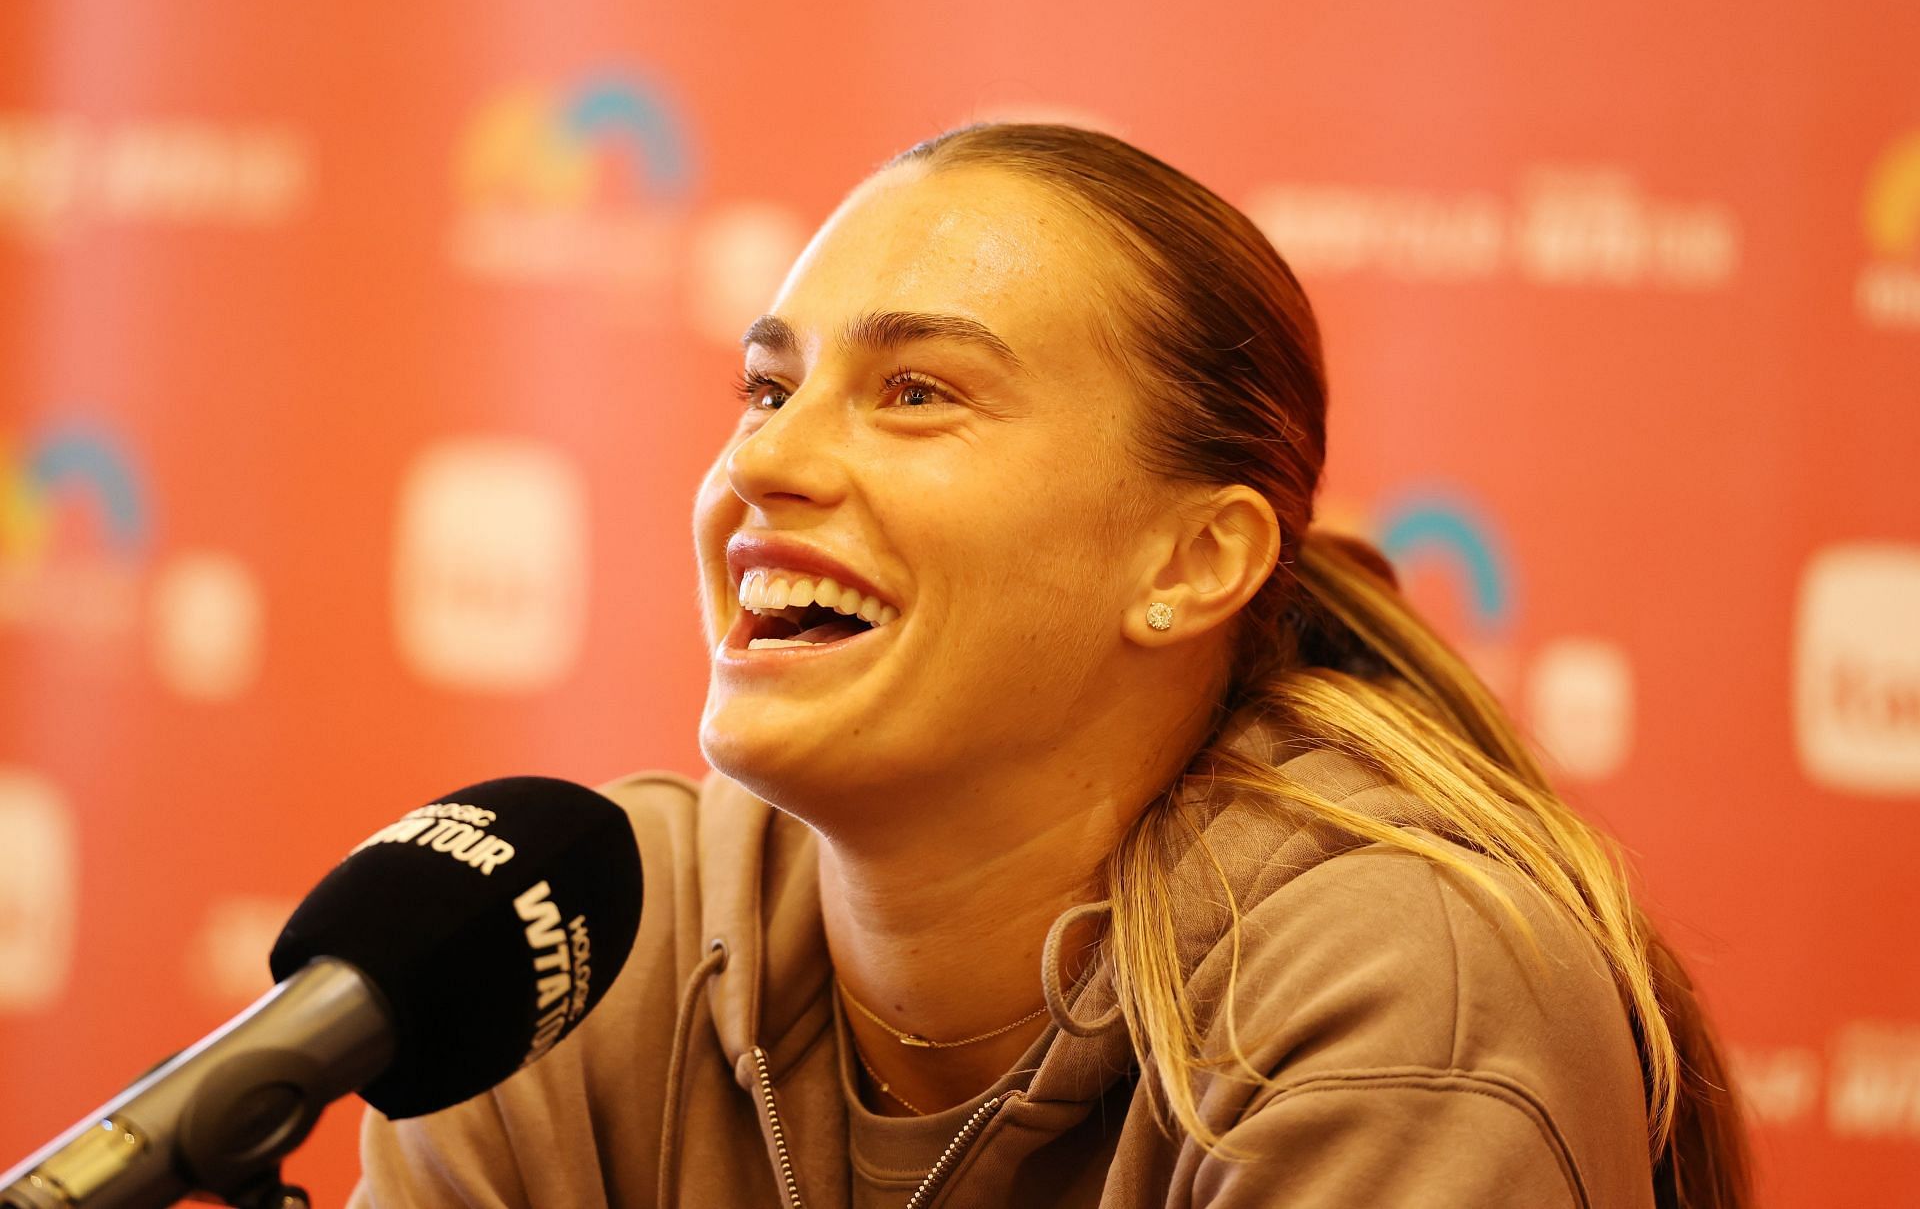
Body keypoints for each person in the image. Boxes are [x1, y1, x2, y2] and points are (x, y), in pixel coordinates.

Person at [350, 124, 1753, 1207]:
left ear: (1191, 561)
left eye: (916, 393)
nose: (760, 461)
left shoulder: (1399, 988)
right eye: (768, 388)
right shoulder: (557, 954)